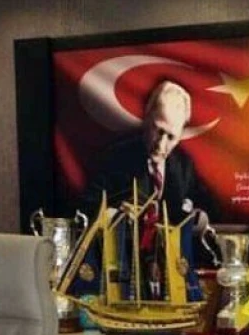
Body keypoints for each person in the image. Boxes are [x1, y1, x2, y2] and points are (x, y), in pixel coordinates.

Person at [80, 79, 218, 283]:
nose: (161, 144)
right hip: (121, 272)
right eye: (158, 130)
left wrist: (200, 218)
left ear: (181, 134)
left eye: (171, 137)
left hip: (169, 275)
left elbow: (206, 207)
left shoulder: (184, 165)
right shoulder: (114, 157)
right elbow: (85, 207)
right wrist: (114, 215)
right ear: (147, 116)